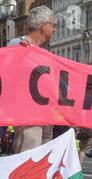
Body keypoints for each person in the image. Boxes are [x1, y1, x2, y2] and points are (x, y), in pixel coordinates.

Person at [9, 5, 56, 154]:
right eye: (53, 25)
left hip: (45, 115)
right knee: (28, 156)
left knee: (42, 159)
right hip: (27, 116)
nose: (54, 29)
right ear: (43, 26)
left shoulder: (44, 52)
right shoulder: (17, 45)